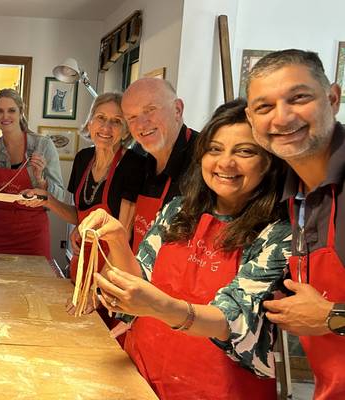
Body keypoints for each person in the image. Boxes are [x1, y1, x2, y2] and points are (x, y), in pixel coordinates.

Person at [81, 99, 290, 399]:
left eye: (244, 151)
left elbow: (234, 320)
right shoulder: (178, 210)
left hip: (220, 389)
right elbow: (139, 277)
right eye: (215, 149)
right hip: (142, 376)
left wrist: (159, 306)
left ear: (269, 162)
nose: (225, 163)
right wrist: (115, 239)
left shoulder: (277, 232)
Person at [245, 49, 345, 399]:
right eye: (264, 107)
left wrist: (334, 317)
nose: (282, 118)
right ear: (251, 118)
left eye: (298, 98)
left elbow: (326, 315)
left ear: (333, 98)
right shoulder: (293, 192)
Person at [22, 92, 143, 280]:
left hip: (114, 266)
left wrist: (99, 284)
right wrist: (46, 199)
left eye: (117, 121)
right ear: (90, 123)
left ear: (126, 131)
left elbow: (124, 233)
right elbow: (78, 216)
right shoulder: (83, 159)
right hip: (82, 259)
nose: (106, 127)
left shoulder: (133, 165)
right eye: (101, 118)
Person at [0, 88, 65, 259]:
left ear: (21, 112)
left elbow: (59, 197)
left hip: (33, 232)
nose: (5, 116)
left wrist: (40, 180)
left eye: (11, 110)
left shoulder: (43, 145)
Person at [120, 78, 199, 253]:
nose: (141, 124)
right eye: (132, 117)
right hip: (137, 275)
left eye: (150, 110)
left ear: (177, 109)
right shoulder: (140, 160)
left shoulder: (206, 160)